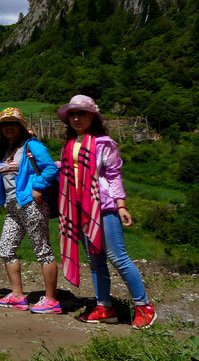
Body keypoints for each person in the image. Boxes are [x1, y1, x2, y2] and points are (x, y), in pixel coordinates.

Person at [57, 95, 157, 329]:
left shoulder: (104, 143)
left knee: (117, 256)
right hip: (79, 208)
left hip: (102, 206)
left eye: (81, 113)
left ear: (93, 116)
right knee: (95, 260)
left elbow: (113, 175)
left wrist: (121, 206)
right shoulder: (70, 144)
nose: (76, 118)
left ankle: (144, 306)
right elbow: (69, 170)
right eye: (72, 114)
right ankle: (105, 307)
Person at [0, 108, 60, 314]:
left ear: (21, 127)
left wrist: (38, 186)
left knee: (42, 250)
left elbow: (51, 168)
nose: (9, 127)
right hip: (12, 207)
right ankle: (17, 296)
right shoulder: (3, 150)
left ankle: (51, 299)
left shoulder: (31, 145)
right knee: (6, 249)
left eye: (13, 123)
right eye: (5, 124)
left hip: (31, 203)